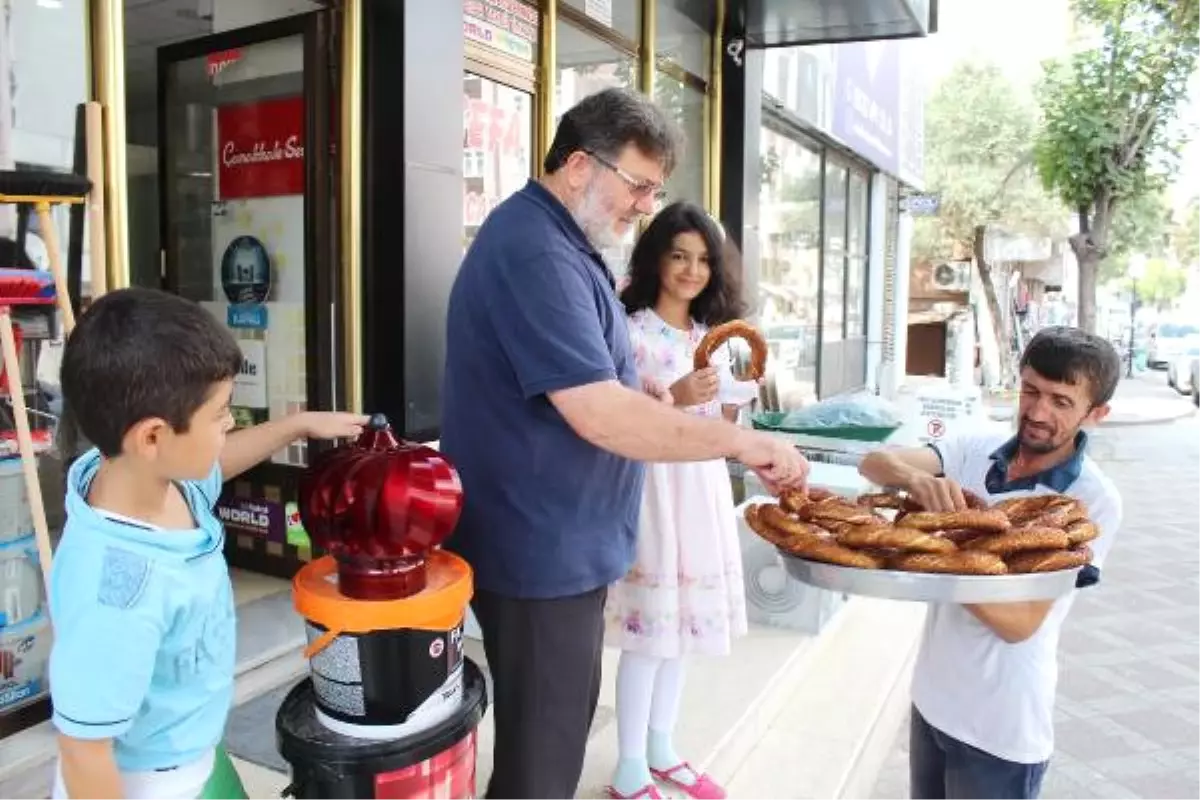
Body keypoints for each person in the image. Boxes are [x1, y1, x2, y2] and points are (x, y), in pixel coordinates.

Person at [441, 87, 809, 800]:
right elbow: (600, 415)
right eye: (638, 185)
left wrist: (645, 393)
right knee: (542, 764)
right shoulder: (535, 252)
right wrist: (738, 445)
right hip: (537, 547)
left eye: (654, 190)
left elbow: (601, 385)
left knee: (554, 736)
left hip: (562, 544)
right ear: (580, 166)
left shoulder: (563, 245)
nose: (644, 206)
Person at [49, 287, 367, 800]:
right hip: (150, 784)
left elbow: (210, 467)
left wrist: (298, 426)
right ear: (152, 437)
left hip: (194, 749)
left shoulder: (142, 476)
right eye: (221, 413)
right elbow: (84, 752)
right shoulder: (116, 591)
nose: (230, 423)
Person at [858, 327, 1123, 800]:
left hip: (1000, 727)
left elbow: (1019, 622)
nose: (1038, 413)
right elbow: (875, 463)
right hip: (933, 698)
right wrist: (913, 481)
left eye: (1061, 402)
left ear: (1096, 414)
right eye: (1031, 391)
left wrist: (948, 542)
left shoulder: (1089, 500)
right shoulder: (972, 448)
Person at [605, 202, 757, 800]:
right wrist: (674, 392)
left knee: (685, 628)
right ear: (656, 259)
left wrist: (735, 401)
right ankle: (629, 765)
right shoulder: (629, 330)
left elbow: (717, 420)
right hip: (651, 489)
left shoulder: (712, 340)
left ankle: (663, 746)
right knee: (650, 632)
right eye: (678, 256)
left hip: (701, 487)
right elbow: (615, 415)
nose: (691, 270)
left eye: (702, 259)